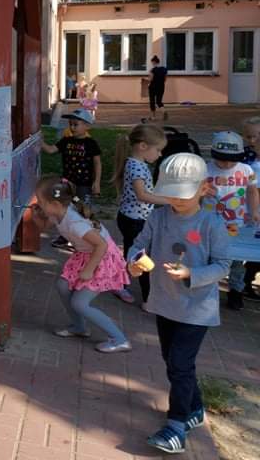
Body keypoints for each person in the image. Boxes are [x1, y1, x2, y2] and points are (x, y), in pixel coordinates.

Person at [127, 153, 231, 454]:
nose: (176, 201)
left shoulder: (211, 223)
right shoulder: (158, 217)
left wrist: (191, 274)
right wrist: (134, 261)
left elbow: (223, 265)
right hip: (164, 302)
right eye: (171, 194)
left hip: (196, 309)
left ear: (203, 188)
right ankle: (194, 408)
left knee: (180, 364)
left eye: (183, 195)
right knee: (172, 361)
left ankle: (176, 426)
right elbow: (138, 245)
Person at [33, 177, 132, 353]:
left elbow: (101, 245)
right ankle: (79, 327)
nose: (38, 203)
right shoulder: (57, 212)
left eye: (40, 201)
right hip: (86, 254)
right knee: (63, 286)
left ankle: (120, 339)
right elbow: (45, 226)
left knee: (80, 303)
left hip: (101, 258)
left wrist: (89, 270)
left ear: (55, 204)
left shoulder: (75, 223)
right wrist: (37, 216)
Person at [112, 124, 170, 307]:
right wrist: (169, 201)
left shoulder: (137, 164)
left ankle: (120, 283)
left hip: (135, 219)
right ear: (143, 146)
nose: (160, 154)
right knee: (141, 258)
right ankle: (147, 299)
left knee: (135, 254)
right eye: (158, 150)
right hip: (134, 221)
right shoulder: (136, 167)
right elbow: (142, 195)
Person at [202, 131, 259, 311]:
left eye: (231, 160)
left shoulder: (247, 170)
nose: (226, 164)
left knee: (236, 260)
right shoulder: (205, 169)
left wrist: (254, 211)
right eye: (222, 160)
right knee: (210, 256)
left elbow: (252, 191)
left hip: (237, 223)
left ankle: (236, 290)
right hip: (210, 222)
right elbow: (195, 192)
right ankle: (207, 289)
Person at [41, 108, 101, 250]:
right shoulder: (66, 141)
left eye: (76, 124)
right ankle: (65, 237)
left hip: (83, 185)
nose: (72, 127)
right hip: (67, 184)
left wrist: (97, 182)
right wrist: (40, 141)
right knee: (65, 211)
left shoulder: (91, 143)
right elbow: (50, 150)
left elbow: (97, 163)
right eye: (71, 124)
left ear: (87, 126)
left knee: (83, 211)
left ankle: (85, 238)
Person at [241, 117, 260, 299]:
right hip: (246, 209)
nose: (253, 141)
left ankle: (248, 278)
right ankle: (242, 283)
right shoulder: (244, 156)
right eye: (249, 136)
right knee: (246, 245)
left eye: (257, 136)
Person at [148, 56, 168, 122]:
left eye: (152, 63)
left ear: (154, 62)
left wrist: (146, 80)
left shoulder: (152, 70)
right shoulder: (164, 69)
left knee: (152, 101)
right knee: (159, 101)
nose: (152, 64)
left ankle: (153, 117)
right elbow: (165, 79)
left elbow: (151, 79)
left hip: (153, 87)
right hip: (161, 86)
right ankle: (164, 111)